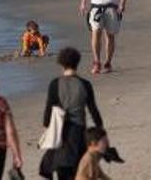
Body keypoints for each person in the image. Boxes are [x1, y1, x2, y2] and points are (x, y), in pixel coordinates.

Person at [42, 48, 104, 180]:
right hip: (79, 133)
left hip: (60, 134)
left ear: (61, 63)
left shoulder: (54, 84)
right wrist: (100, 129)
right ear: (78, 62)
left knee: (62, 170)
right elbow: (93, 110)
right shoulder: (85, 84)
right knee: (78, 170)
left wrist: (47, 127)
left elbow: (48, 112)